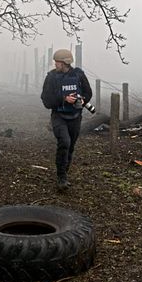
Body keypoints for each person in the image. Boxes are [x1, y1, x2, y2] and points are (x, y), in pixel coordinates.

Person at [40, 48, 92, 191]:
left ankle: (64, 173)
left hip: (75, 116)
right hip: (58, 116)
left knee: (71, 147)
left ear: (65, 63)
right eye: (55, 62)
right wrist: (63, 99)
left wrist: (82, 100)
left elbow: (88, 92)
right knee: (64, 142)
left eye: (57, 62)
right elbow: (46, 100)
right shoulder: (51, 77)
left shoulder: (78, 75)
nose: (55, 64)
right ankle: (61, 177)